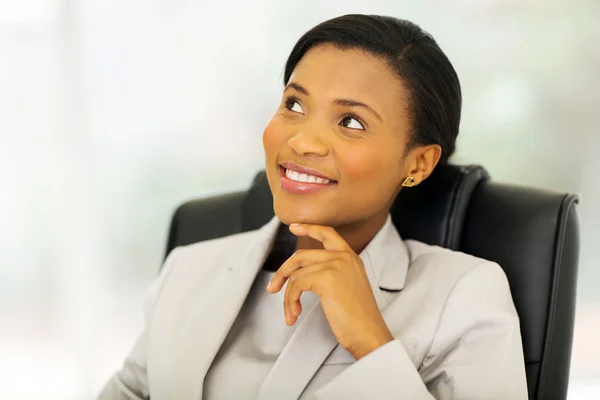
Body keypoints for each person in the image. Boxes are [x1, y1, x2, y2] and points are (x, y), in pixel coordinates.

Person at [98, 14, 528, 400]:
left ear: (418, 163)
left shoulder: (464, 294)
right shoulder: (190, 268)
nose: (302, 140)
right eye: (294, 105)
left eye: (351, 122)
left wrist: (371, 341)